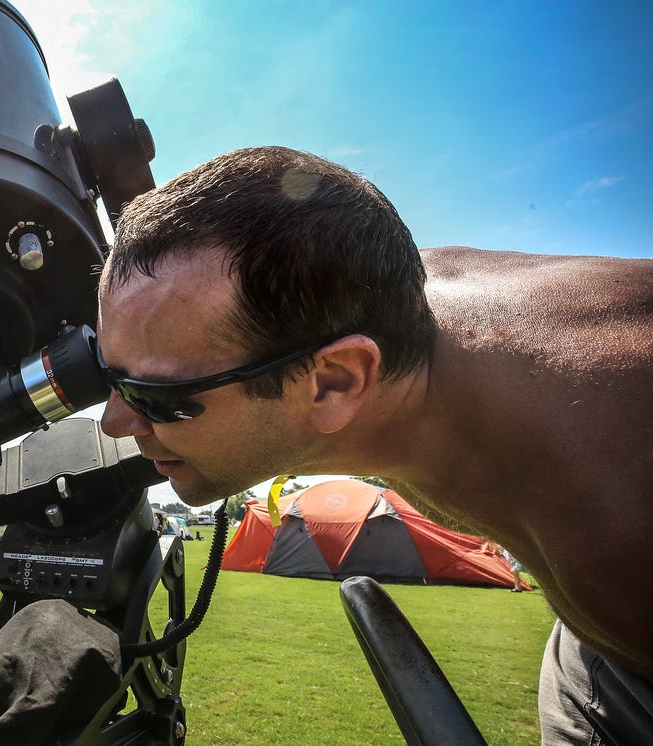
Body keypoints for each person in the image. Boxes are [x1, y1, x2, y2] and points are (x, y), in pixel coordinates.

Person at [94, 146, 652, 744]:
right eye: (108, 374)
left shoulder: (619, 526)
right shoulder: (363, 294)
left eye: (154, 394)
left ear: (335, 382)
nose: (114, 422)